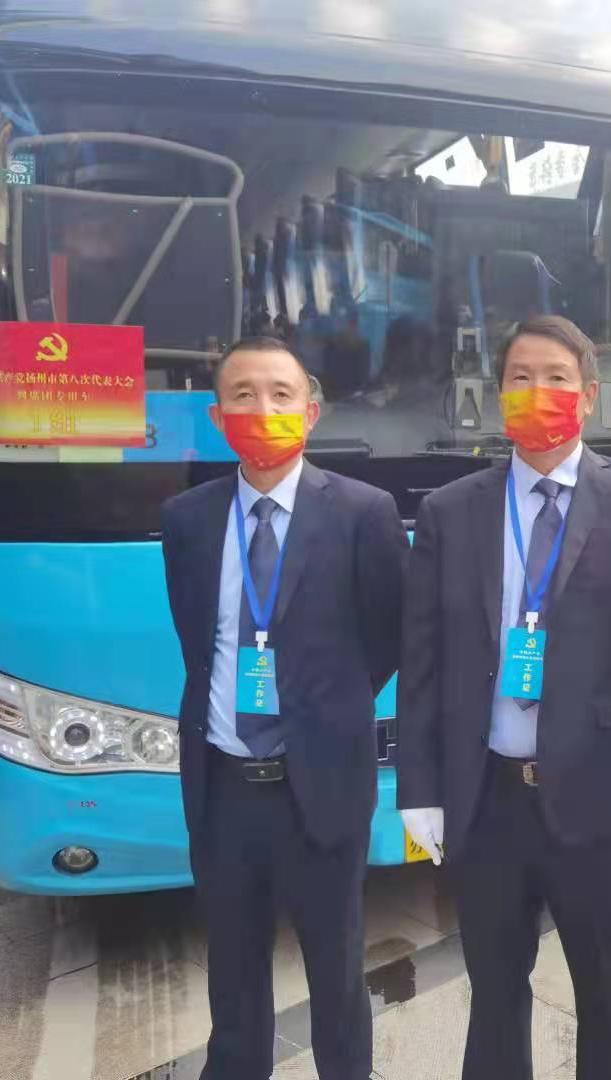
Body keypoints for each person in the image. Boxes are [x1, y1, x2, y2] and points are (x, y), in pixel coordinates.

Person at [397, 314, 611, 1080]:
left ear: (588, 395)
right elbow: (422, 662)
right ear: (498, 396)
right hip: (486, 800)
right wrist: (419, 788)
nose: (538, 392)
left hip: (598, 798)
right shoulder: (450, 512)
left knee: (608, 996)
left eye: (556, 378)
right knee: (495, 994)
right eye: (520, 378)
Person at [160, 336, 406, 1080]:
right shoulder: (188, 519)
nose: (261, 408)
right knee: (233, 979)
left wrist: (322, 714)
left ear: (311, 410)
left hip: (320, 788)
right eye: (242, 395)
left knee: (336, 977)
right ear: (217, 416)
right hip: (223, 789)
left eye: (279, 393)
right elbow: (199, 643)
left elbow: (386, 638)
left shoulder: (363, 512)